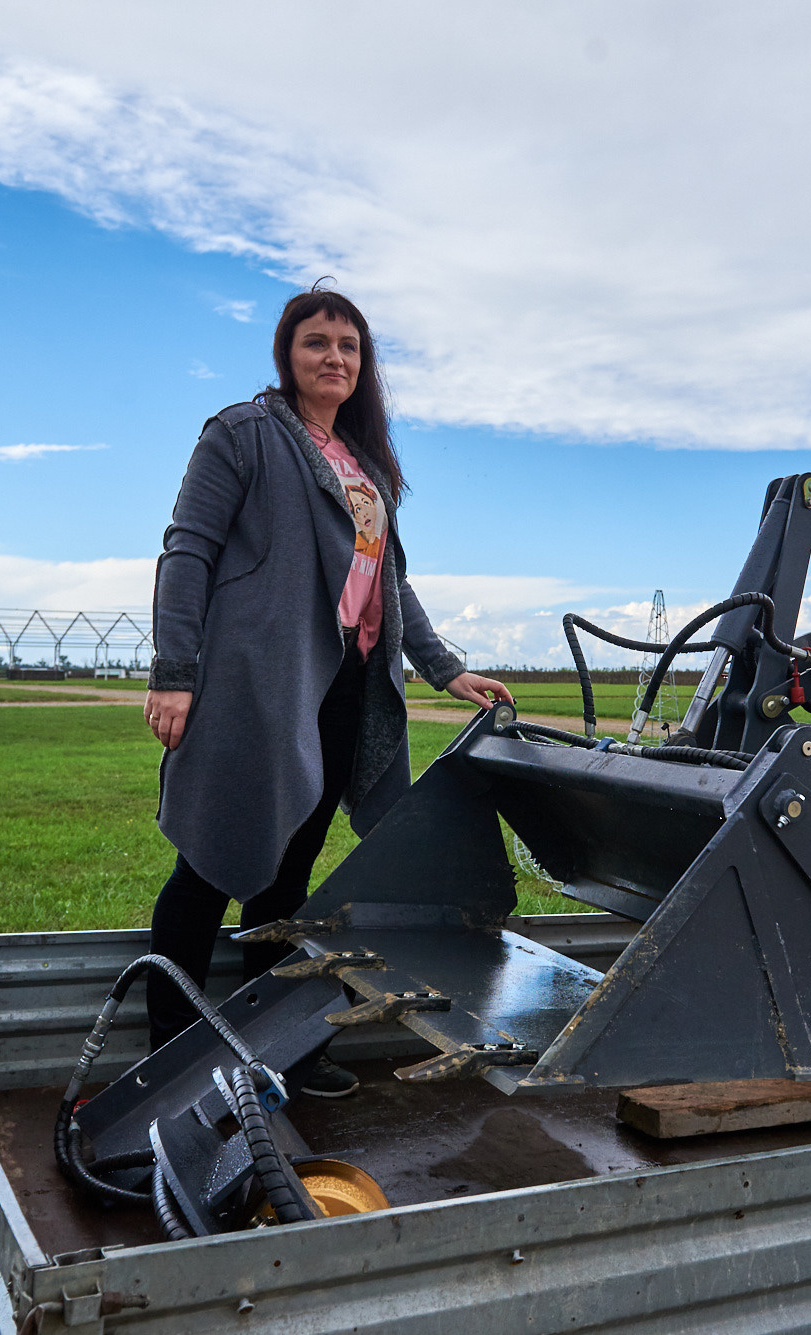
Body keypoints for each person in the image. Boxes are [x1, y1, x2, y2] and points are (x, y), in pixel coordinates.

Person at [141, 288, 512, 1096]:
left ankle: (268, 1049)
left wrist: (444, 666)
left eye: (349, 345)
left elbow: (390, 583)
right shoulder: (242, 434)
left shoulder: (367, 464)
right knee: (211, 860)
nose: (334, 358)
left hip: (347, 686)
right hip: (256, 684)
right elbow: (187, 552)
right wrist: (175, 673)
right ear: (288, 354)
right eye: (317, 342)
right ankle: (165, 1056)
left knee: (289, 874)